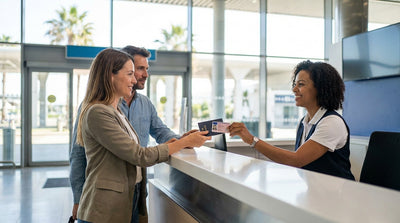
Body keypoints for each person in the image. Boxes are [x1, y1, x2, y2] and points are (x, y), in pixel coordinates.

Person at [75, 48, 210, 223]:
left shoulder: (118, 110)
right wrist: (183, 143)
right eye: (131, 73)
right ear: (111, 75)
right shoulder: (98, 112)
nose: (136, 78)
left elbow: (159, 133)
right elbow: (139, 155)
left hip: (131, 196)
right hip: (106, 207)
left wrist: (182, 140)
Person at [228, 60, 355, 180]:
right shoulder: (303, 122)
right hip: (316, 193)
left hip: (338, 196)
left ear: (320, 88)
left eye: (301, 84)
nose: (294, 90)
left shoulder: (331, 122)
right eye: (295, 85)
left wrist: (252, 140)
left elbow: (296, 160)